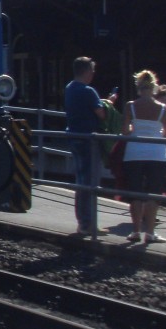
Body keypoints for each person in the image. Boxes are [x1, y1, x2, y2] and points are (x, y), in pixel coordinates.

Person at [123, 70, 166, 244]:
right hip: (157, 154)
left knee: (135, 193)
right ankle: (150, 233)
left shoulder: (130, 106)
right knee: (153, 193)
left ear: (138, 87)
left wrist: (135, 130)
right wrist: (157, 132)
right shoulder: (162, 109)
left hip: (134, 153)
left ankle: (135, 232)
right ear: (154, 87)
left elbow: (125, 131)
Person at [64, 57, 107, 236]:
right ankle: (88, 224)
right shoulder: (89, 91)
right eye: (92, 70)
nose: (93, 74)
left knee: (81, 180)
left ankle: (83, 222)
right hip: (89, 139)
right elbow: (102, 114)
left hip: (74, 136)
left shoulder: (69, 88)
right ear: (87, 71)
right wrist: (108, 103)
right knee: (90, 182)